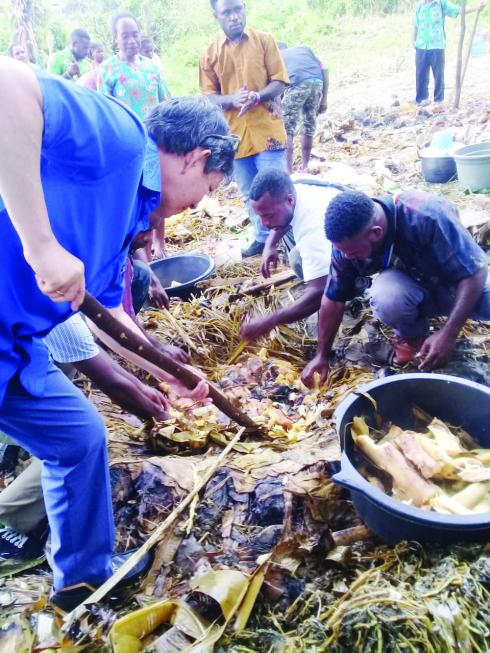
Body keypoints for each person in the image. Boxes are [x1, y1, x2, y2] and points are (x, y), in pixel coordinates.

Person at [0, 56, 235, 612]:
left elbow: (109, 314)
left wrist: (170, 376)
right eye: (209, 186)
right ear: (196, 157)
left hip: (16, 345)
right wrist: (41, 245)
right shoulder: (122, 139)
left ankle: (82, 580)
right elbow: (8, 83)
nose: (201, 203)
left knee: (80, 439)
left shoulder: (130, 215)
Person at [0, 312, 170, 562]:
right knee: (77, 442)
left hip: (18, 371)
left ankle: (81, 569)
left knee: (78, 432)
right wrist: (165, 419)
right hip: (9, 380)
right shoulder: (50, 295)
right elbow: (106, 376)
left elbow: (91, 347)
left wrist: (143, 386)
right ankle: (11, 518)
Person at [301, 190, 490, 388]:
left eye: (352, 252)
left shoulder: (427, 215)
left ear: (376, 233)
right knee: (386, 296)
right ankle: (415, 339)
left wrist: (449, 333)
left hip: (458, 281)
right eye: (342, 252)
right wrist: (321, 355)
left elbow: (475, 272)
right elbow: (333, 298)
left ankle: (441, 336)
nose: (346, 257)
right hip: (413, 289)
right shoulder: (348, 243)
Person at [200, 0, 289, 258]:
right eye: (227, 12)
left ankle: (288, 237)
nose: (235, 16)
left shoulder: (264, 40)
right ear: (216, 16)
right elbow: (208, 96)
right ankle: (263, 239)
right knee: (250, 191)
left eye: (238, 9)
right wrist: (232, 100)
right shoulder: (209, 54)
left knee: (278, 188)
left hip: (267, 130)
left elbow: (280, 81)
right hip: (235, 136)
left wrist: (258, 96)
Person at [240, 168, 341, 342]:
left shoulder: (313, 227)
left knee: (318, 278)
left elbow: (320, 292)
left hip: (362, 248)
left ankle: (355, 285)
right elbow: (286, 215)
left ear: (290, 200)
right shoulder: (291, 185)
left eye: (268, 215)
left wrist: (269, 321)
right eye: (260, 217)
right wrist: (269, 245)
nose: (264, 224)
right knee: (296, 258)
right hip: (332, 221)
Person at [97, 11, 171, 120]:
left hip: (154, 134)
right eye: (125, 36)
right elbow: (105, 112)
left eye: (135, 34)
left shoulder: (153, 67)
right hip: (125, 135)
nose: (131, 41)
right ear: (115, 38)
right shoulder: (107, 69)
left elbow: (166, 103)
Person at [413, 0, 485, 104]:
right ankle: (421, 100)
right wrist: (413, 40)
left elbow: (459, 10)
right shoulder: (420, 6)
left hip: (437, 46)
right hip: (421, 46)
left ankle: (438, 101)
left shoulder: (441, 3)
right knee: (420, 75)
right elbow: (415, 24)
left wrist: (476, 8)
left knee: (438, 76)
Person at [278, 43, 328, 174]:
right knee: (308, 124)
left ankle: (289, 171)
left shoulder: (277, 56)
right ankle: (305, 166)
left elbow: (277, 84)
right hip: (317, 81)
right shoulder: (304, 49)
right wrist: (324, 100)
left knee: (286, 129)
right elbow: (324, 69)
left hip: (297, 83)